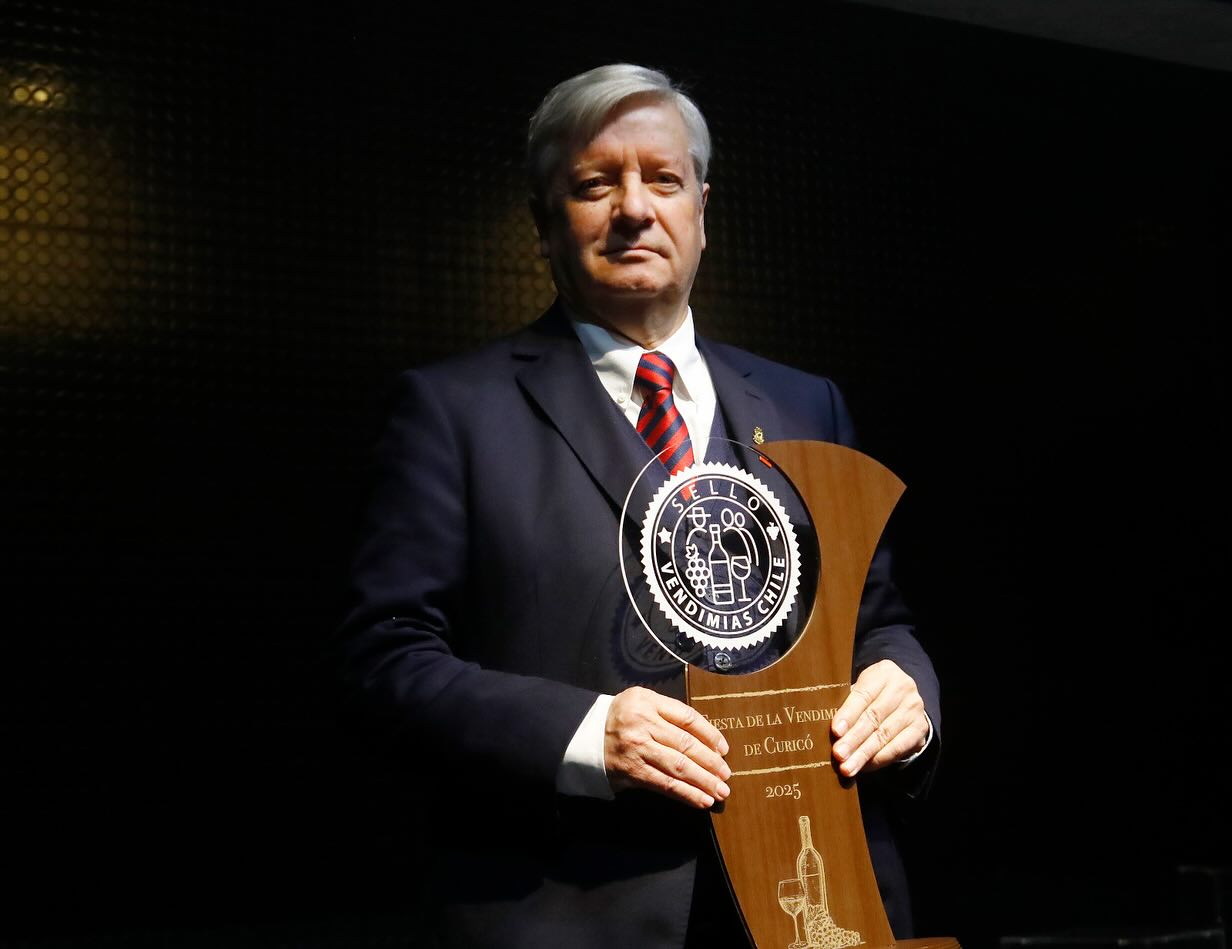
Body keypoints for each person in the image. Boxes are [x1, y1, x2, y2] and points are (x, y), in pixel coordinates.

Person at [337, 63, 940, 949]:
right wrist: (589, 735)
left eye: (663, 179)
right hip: (572, 907)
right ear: (545, 222)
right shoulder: (451, 411)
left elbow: (877, 621)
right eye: (594, 184)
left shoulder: (808, 404)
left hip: (819, 904)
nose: (633, 208)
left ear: (702, 209)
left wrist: (907, 689)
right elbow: (385, 658)